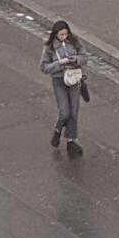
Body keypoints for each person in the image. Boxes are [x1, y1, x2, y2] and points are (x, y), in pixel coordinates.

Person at [41, 20, 89, 158]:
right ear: (55, 35)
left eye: (66, 34)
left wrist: (75, 60)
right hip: (59, 81)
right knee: (65, 111)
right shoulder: (49, 48)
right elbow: (44, 67)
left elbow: (85, 56)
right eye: (61, 35)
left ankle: (71, 141)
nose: (64, 37)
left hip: (74, 79)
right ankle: (57, 129)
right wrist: (59, 63)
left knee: (74, 111)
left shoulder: (74, 42)